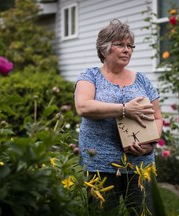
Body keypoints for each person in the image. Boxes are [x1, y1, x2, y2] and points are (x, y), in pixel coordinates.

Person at [74, 19, 163, 215]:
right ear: (104, 49)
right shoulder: (90, 76)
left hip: (140, 165)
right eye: (120, 44)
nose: (127, 50)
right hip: (101, 164)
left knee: (143, 212)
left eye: (130, 46)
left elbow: (157, 117)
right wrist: (124, 109)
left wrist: (150, 144)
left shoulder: (142, 79)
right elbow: (83, 106)